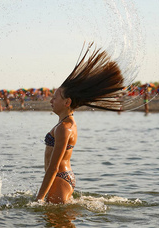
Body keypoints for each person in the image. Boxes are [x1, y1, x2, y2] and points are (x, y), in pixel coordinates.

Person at [36, 43, 125, 204]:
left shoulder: (65, 128)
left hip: (59, 177)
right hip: (60, 178)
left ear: (67, 102)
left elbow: (53, 167)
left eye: (55, 97)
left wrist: (38, 199)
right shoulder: (63, 123)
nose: (51, 100)